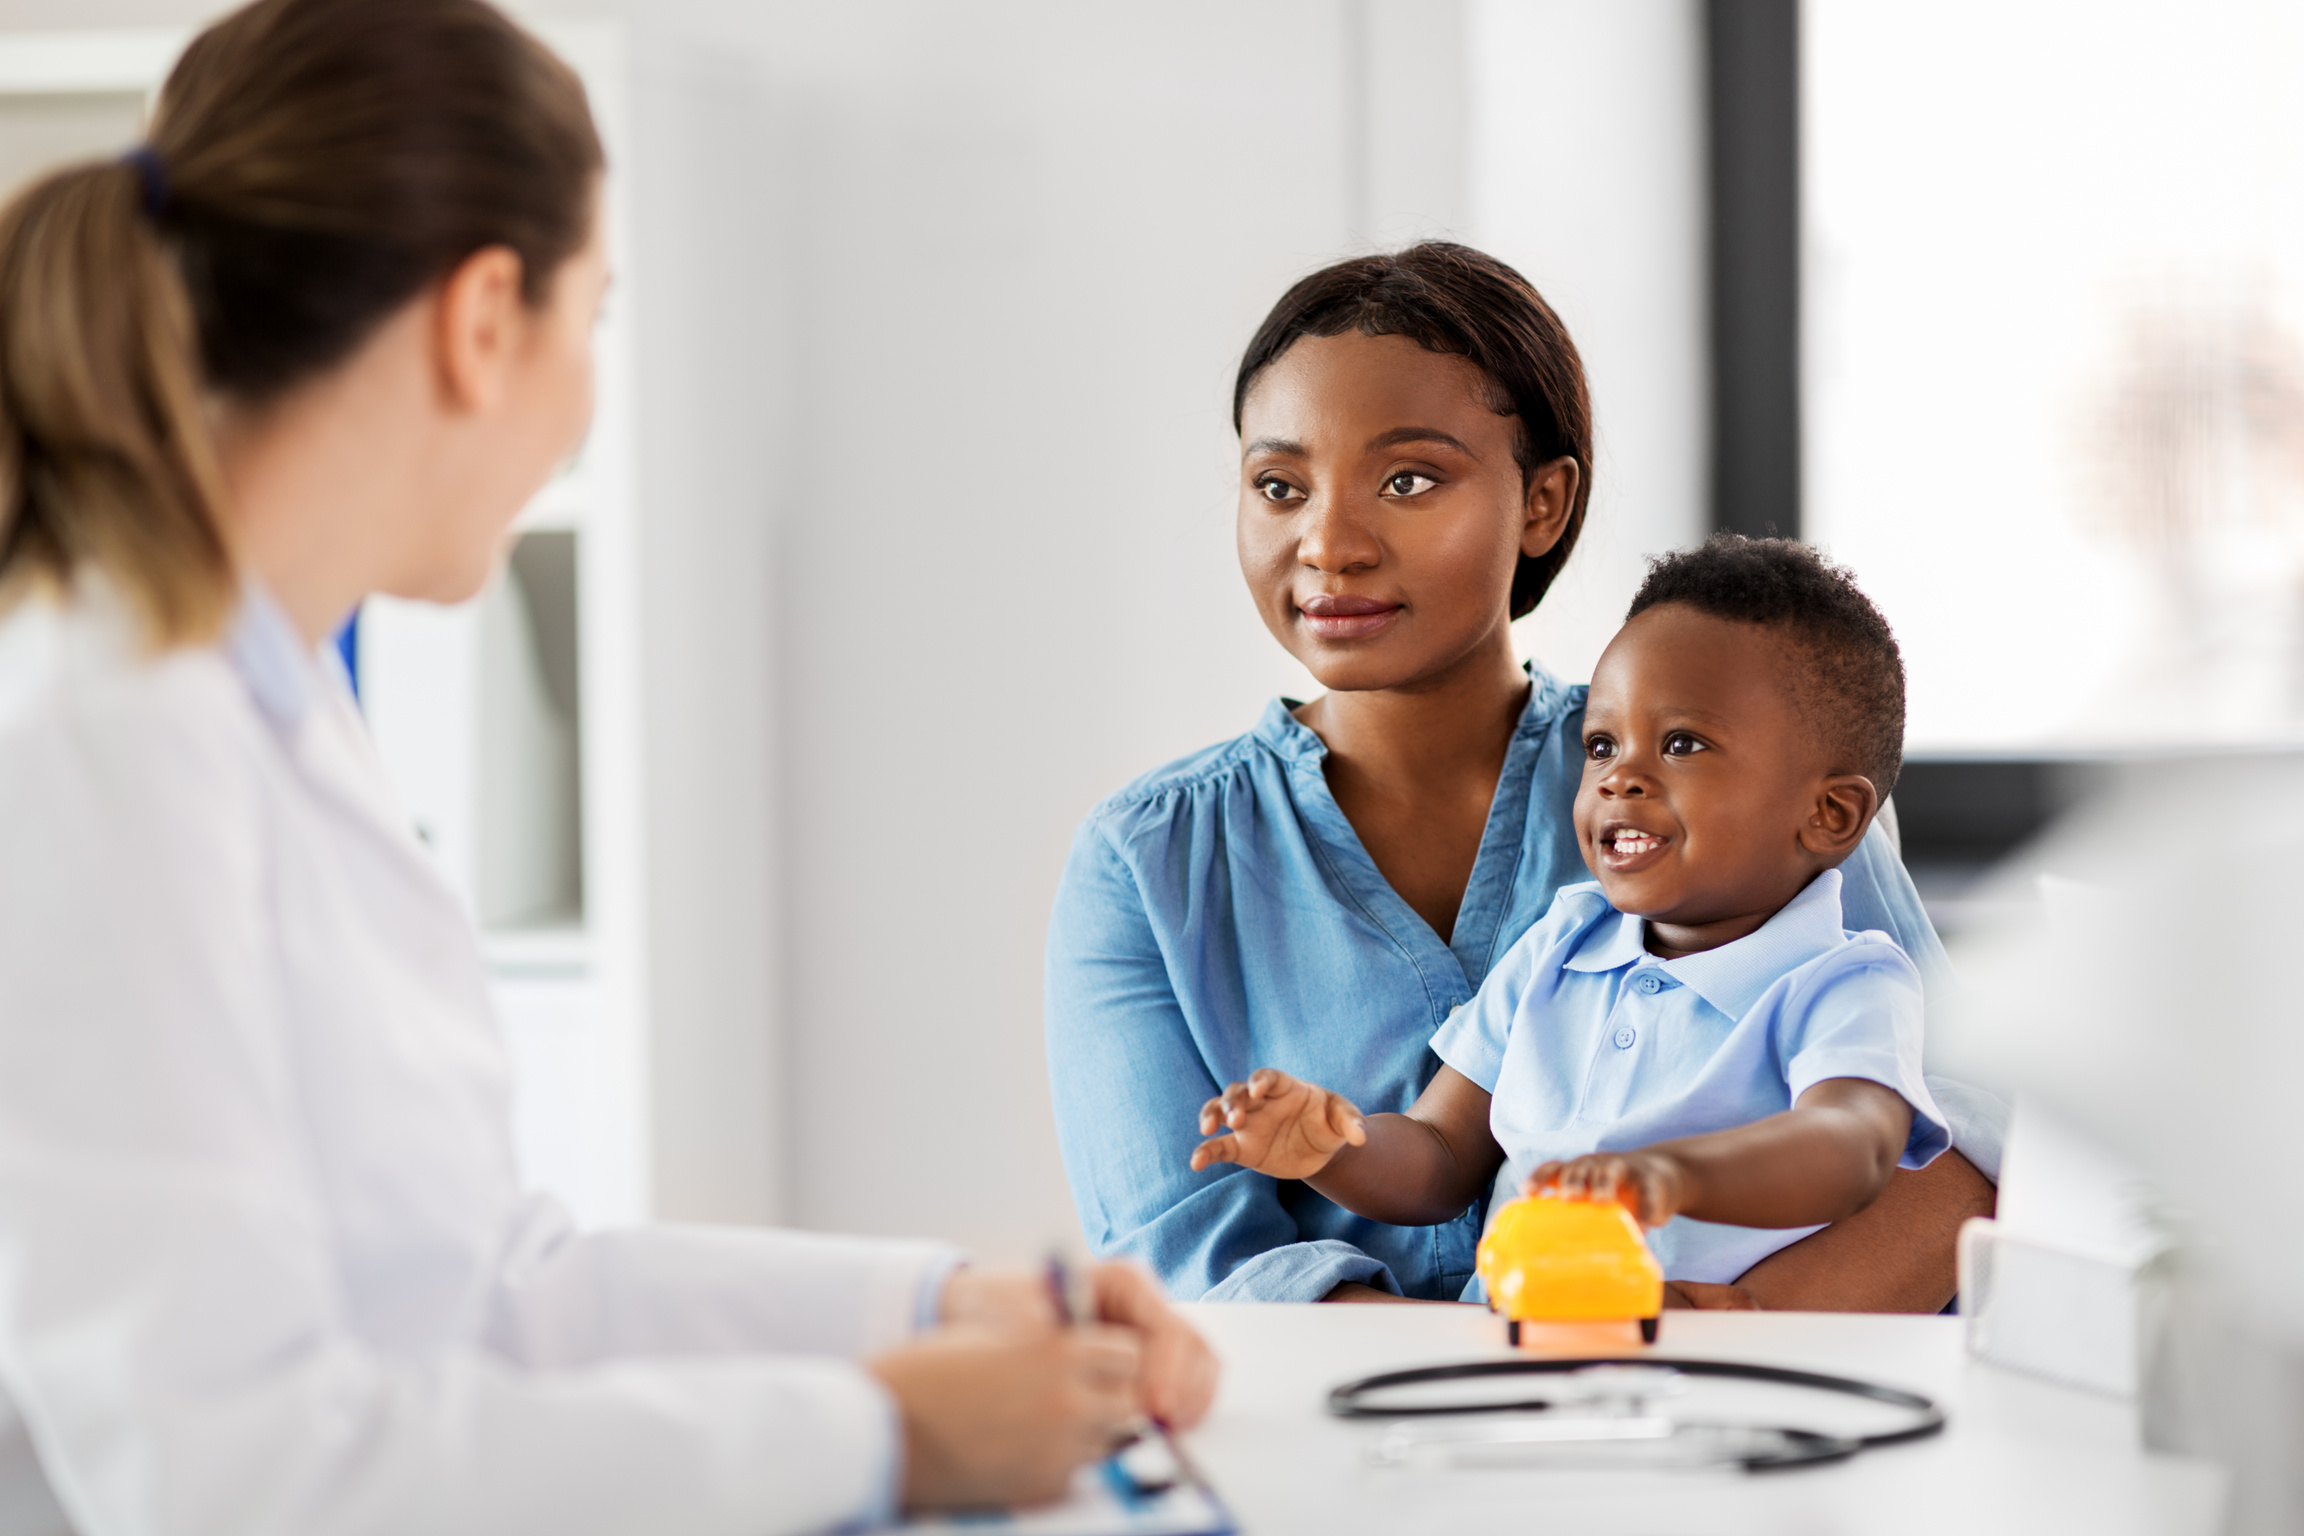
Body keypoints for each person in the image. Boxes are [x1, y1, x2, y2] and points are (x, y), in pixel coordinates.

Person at [0, 2, 1213, 1533]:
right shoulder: (98, 747)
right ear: (484, 318)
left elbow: (497, 1288)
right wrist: (875, 1439)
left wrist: (939, 1308)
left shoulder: (265, 701)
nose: (584, 402)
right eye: (599, 315)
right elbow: (233, 1479)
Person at [1045, 242, 1998, 1307]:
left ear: (1543, 502)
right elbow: (1194, 1258)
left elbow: (1964, 1161)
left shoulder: (1762, 785)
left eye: (1407, 480)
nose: (1329, 544)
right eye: (1280, 486)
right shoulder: (1145, 864)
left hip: (1734, 1423)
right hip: (1368, 1444)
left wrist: (1723, 1336)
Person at [1192, 536, 1950, 1299]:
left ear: (1830, 814)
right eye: (1601, 744)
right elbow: (1438, 1159)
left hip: (1718, 1378)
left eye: (1681, 744)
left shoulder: (1848, 980)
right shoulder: (1562, 943)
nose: (1621, 777)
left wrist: (1675, 1175)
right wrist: (1333, 1148)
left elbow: (1851, 1148)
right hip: (1514, 1363)